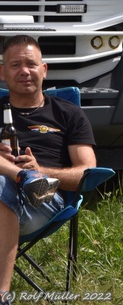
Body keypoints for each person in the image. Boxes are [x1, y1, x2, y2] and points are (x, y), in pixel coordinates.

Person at [0, 35, 96, 303]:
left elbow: (87, 173)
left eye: (31, 63)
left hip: (42, 199)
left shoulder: (68, 114)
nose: (24, 71)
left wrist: (40, 170)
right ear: (2, 73)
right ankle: (18, 174)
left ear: (44, 69)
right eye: (15, 64)